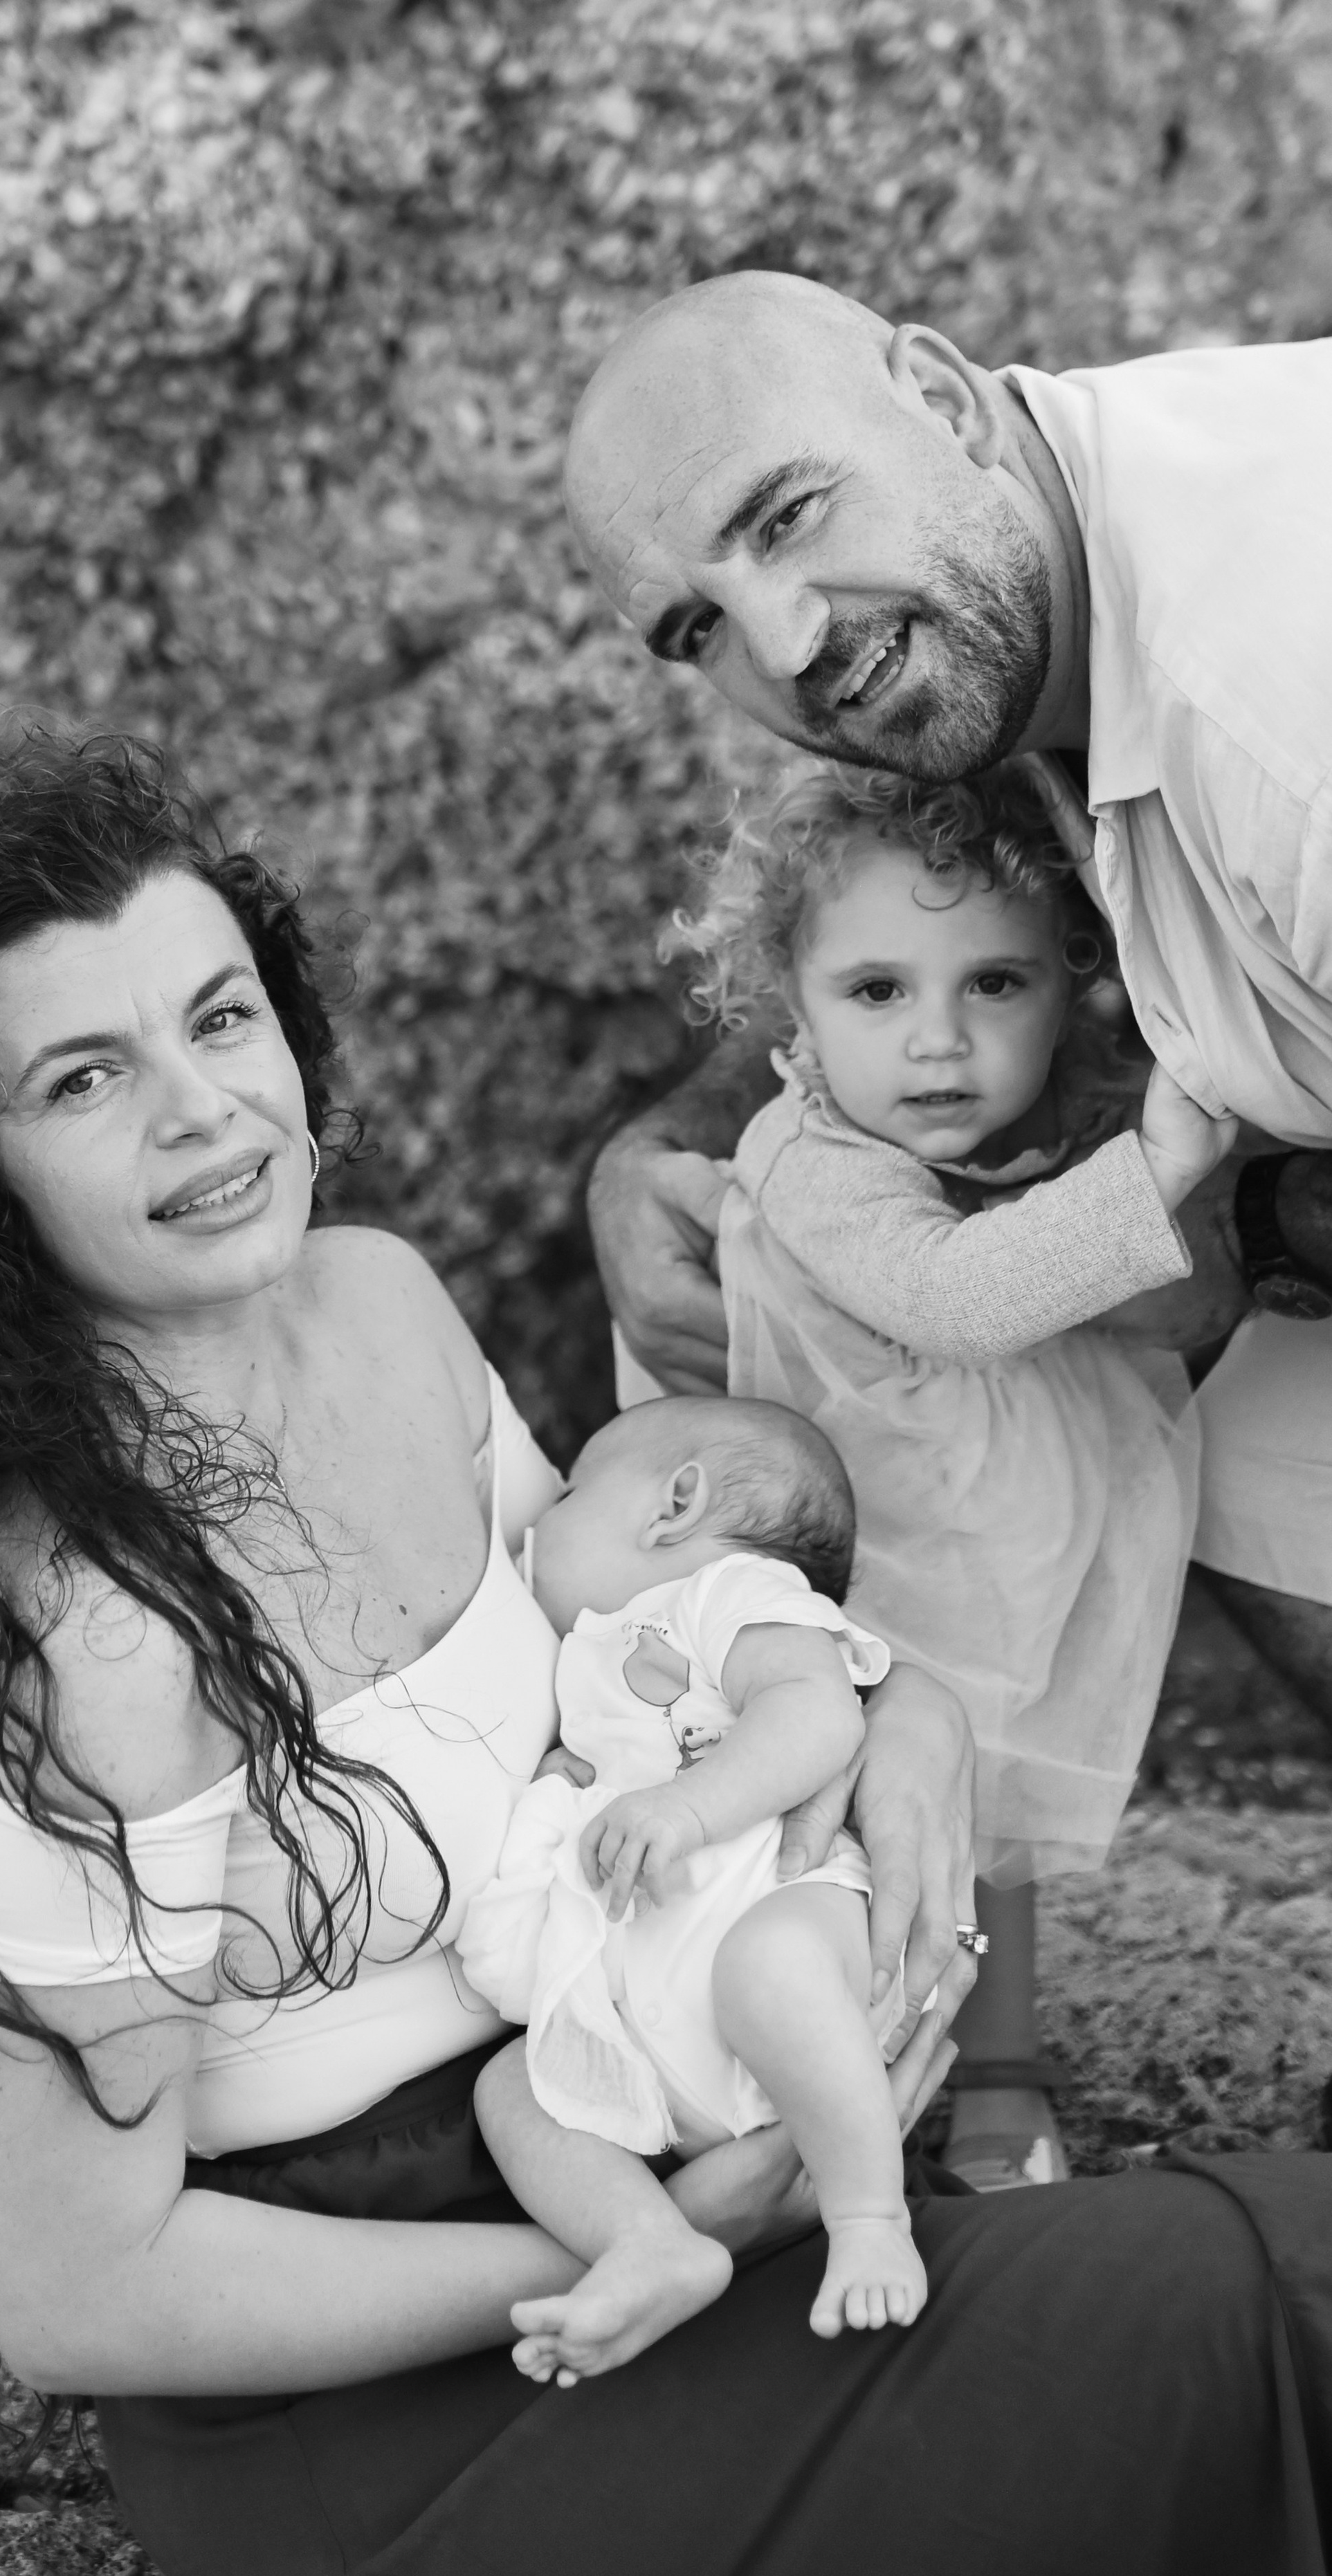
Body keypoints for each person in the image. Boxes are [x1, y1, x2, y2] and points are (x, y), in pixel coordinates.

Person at [0, 728, 1332, 2576]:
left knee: (1256, 2309)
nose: (206, 1116)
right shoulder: (89, 1633)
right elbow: (84, 2295)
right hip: (409, 2403)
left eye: (221, 1020)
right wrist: (661, 2235)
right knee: (1245, 2311)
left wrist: (895, 1707)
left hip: (643, 2154)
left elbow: (616, 1640)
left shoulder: (377, 1304)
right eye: (89, 1079)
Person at [564, 272, 1332, 2184]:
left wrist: (1240, 1212)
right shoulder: (1007, 619)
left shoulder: (1277, 714)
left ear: (937, 389)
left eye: (788, 514)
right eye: (698, 628)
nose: (789, 645)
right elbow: (864, 1009)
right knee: (1246, 1462)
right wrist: (666, 1156)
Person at [664, 760, 1221, 2185]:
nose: (938, 1044)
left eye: (995, 985)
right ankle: (809, 2078)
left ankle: (998, 2079)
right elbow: (956, 1295)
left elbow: (1179, 1298)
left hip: (1004, 1542)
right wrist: (1153, 1174)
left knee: (998, 1824)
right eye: (875, 993)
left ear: (1073, 978)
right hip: (868, 1545)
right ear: (787, 997)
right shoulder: (804, 1154)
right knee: (859, 1816)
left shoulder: (1054, 1119)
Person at [460, 1392, 927, 2373]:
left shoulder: (733, 1594)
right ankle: (649, 2243)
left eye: (573, 1493)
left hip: (790, 1943)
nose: (539, 1523)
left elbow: (818, 1717)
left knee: (771, 1964)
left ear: (674, 1504)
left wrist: (687, 1811)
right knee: (512, 2090)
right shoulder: (584, 1664)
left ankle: (870, 2214)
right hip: (654, 2049)